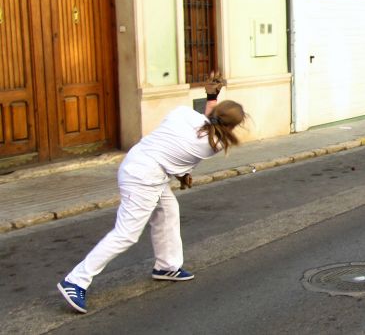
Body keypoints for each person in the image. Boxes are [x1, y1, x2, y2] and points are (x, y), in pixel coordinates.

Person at [57, 73, 246, 314]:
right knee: (126, 234)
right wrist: (182, 173)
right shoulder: (214, 145)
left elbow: (203, 123)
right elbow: (204, 135)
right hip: (144, 179)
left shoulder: (182, 113)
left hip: (138, 162)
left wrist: (210, 96)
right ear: (232, 127)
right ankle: (76, 280)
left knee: (168, 211)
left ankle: (167, 266)